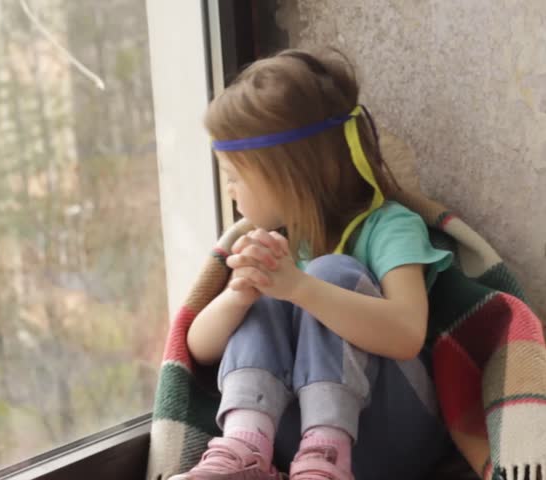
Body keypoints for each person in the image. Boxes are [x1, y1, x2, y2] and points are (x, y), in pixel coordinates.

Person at [178, 47, 456, 480]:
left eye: (234, 177)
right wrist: (238, 294)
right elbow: (197, 346)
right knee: (260, 290)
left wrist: (300, 287)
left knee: (330, 273)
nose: (230, 191)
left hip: (389, 437)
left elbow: (405, 334)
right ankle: (243, 450)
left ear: (289, 174)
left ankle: (328, 453)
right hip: (290, 448)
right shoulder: (276, 245)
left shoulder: (389, 227)